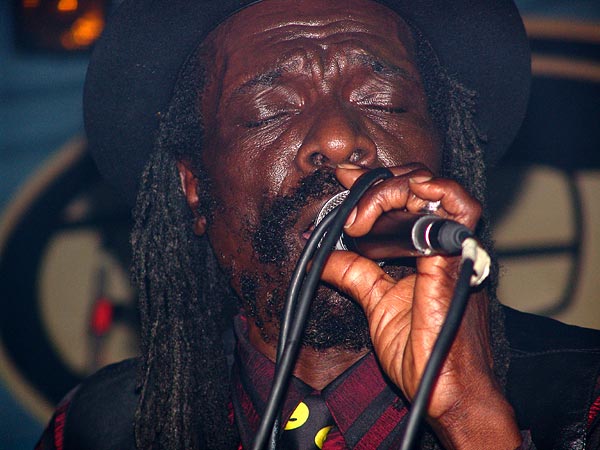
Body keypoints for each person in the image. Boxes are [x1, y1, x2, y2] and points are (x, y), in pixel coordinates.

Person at [36, 0, 600, 449]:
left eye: (384, 101)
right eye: (272, 109)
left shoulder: (587, 399)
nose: (337, 138)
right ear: (195, 188)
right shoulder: (99, 430)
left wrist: (472, 420)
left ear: (445, 155)